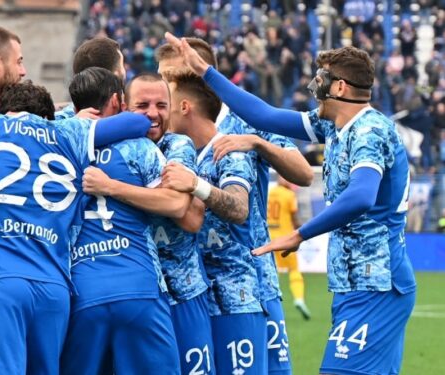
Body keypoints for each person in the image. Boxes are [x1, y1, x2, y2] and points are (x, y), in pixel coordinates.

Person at [165, 32, 417, 375]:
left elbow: (361, 195)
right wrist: (207, 74)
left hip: (378, 282)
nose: (314, 88)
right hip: (356, 281)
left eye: (321, 79)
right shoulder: (334, 126)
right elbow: (265, 116)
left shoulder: (369, 130)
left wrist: (300, 234)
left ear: (339, 88)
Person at [0, 29, 152, 373]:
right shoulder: (66, 133)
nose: (21, 68)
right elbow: (137, 122)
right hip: (52, 286)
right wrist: (72, 118)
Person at [158, 37, 313, 374]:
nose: (162, 88)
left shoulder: (246, 118)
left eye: (167, 77)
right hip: (195, 289)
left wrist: (258, 144)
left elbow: (303, 173)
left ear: (194, 74)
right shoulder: (167, 133)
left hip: (251, 281)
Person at [61, 67, 191, 375]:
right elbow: (176, 203)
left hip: (82, 292)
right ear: (119, 101)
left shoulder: (57, 147)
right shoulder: (138, 146)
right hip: (139, 286)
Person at [160, 69, 267, 375]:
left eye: (166, 103)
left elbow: (238, 208)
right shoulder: (181, 153)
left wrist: (197, 186)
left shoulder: (228, 150)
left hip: (234, 297)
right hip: (197, 298)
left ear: (184, 107)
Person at [268, 175, 311, 320]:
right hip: (285, 239)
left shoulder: (270, 193)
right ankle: (299, 298)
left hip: (269, 238)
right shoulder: (289, 195)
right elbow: (295, 218)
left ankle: (270, 301)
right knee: (294, 270)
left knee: (272, 272)